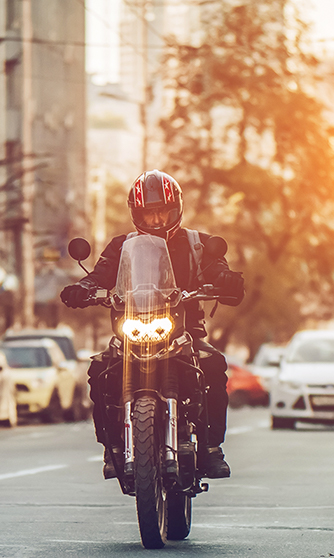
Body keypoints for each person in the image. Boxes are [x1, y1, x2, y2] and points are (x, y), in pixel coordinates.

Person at [60, 170, 244, 479]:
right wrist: (84, 288)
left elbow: (217, 269)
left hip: (184, 333)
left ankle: (212, 448)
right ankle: (112, 446)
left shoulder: (199, 244)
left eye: (163, 211)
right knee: (100, 370)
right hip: (132, 329)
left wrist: (226, 279)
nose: (157, 219)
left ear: (176, 209)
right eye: (149, 213)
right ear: (137, 213)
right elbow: (101, 275)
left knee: (213, 365)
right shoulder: (121, 246)